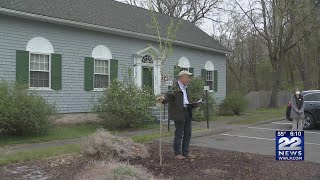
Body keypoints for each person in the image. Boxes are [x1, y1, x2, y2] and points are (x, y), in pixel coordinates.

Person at [157, 70, 199, 160]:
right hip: (179, 113)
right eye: (188, 77)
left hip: (187, 111)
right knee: (179, 133)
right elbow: (168, 96)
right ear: (182, 77)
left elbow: (186, 100)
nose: (189, 79)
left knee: (188, 133)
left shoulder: (186, 88)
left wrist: (193, 104)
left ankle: (185, 152)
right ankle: (177, 153)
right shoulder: (175, 87)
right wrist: (163, 99)